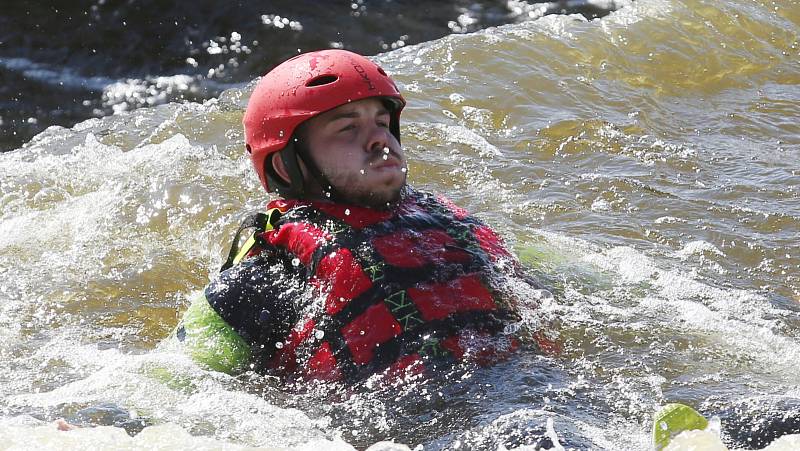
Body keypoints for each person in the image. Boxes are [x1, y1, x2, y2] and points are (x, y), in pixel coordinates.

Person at [171, 49, 548, 383]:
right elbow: (178, 385)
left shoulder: (453, 226)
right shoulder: (266, 281)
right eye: (348, 128)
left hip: (532, 391)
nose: (378, 140)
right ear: (287, 167)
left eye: (382, 123)